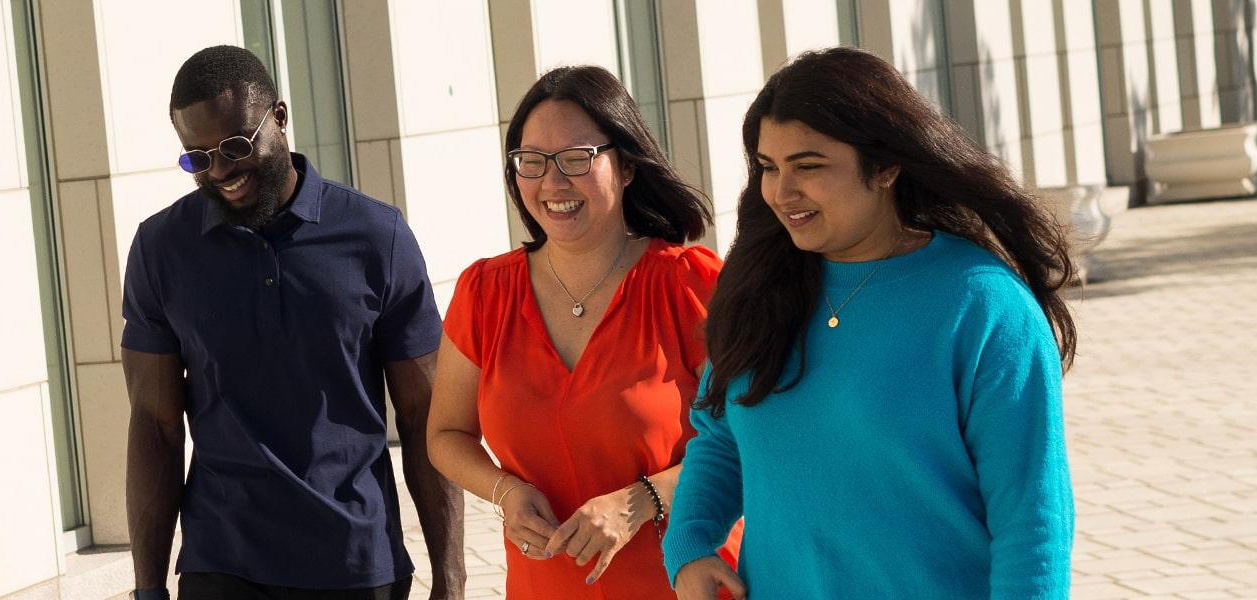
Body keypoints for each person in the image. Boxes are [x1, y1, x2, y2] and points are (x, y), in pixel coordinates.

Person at [664, 47, 1079, 599]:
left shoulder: (982, 305)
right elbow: (720, 436)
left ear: (885, 166)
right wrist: (689, 544)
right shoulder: (757, 290)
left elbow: (1032, 518)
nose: (782, 192)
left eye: (808, 166)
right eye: (769, 167)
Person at [120, 45, 464, 600]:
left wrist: (450, 582)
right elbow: (155, 425)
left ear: (279, 118)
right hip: (222, 563)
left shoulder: (378, 236)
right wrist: (148, 588)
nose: (221, 171)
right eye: (197, 158)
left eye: (235, 146)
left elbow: (427, 413)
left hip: (357, 563)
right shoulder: (161, 249)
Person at [426, 65, 734, 599]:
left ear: (628, 166)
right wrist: (505, 491)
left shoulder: (691, 284)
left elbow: (750, 442)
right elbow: (445, 436)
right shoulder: (483, 293)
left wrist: (639, 501)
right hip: (543, 586)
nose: (552, 182)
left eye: (576, 158)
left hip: (687, 583)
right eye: (532, 161)